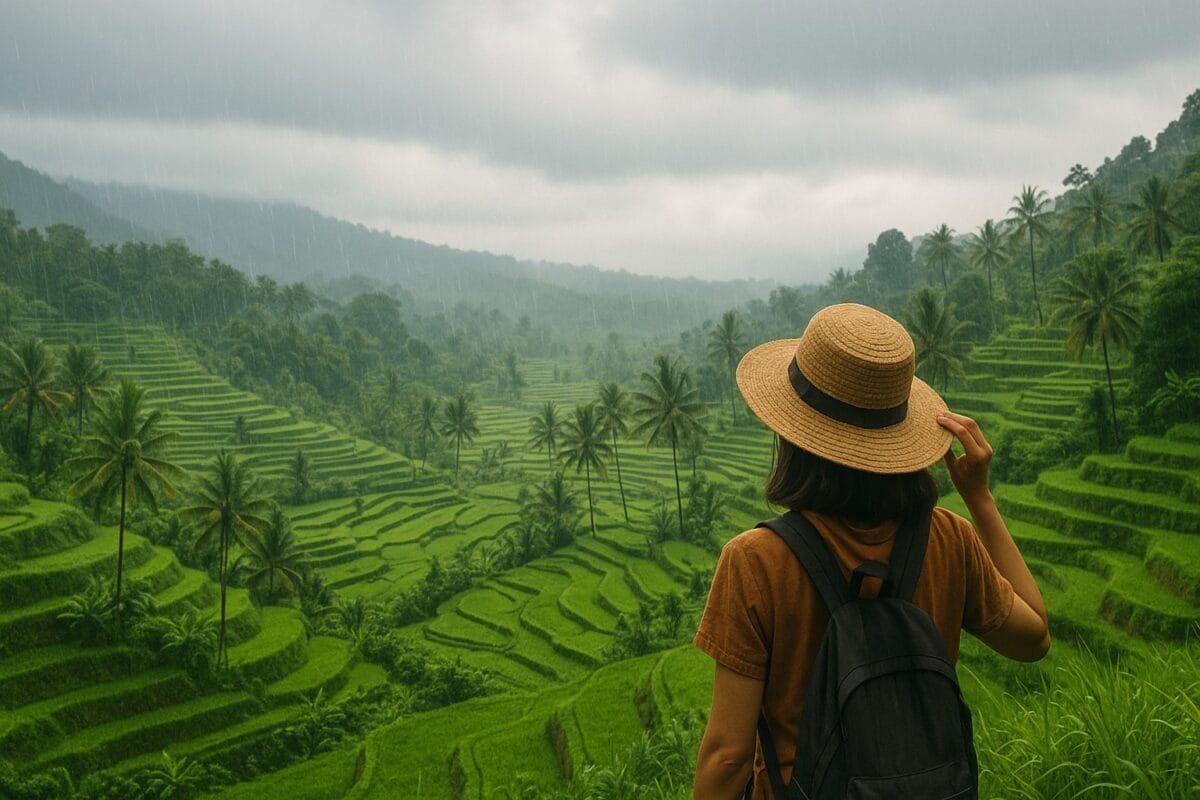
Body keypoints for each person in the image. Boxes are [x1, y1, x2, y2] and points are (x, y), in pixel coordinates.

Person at [691, 303, 1050, 799]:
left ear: (793, 434)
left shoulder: (756, 561)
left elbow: (727, 757)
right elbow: (1033, 639)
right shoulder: (950, 539)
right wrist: (980, 500)